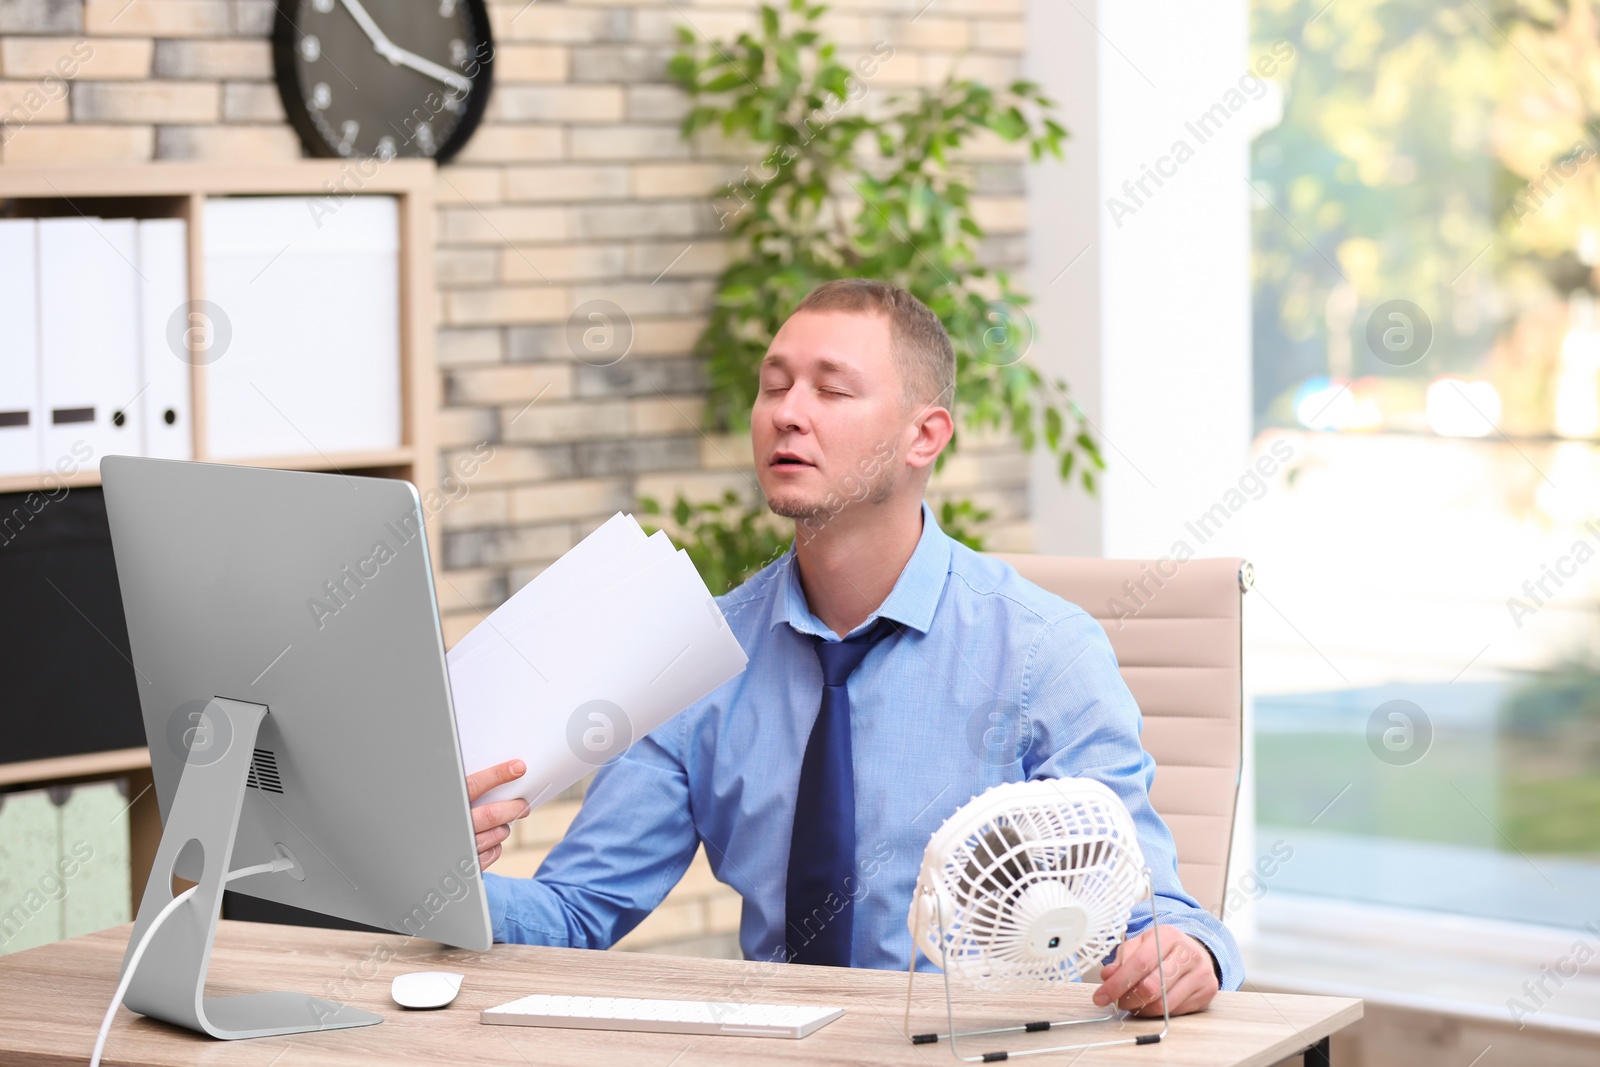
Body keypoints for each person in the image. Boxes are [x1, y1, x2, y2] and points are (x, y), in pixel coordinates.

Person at [466, 279, 1241, 1016]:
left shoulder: (1045, 654)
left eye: (831, 390)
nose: (787, 414)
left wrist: (1187, 954)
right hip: (773, 1048)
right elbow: (575, 913)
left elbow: (1159, 918)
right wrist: (435, 876)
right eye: (774, 386)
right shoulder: (697, 661)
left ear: (923, 436)